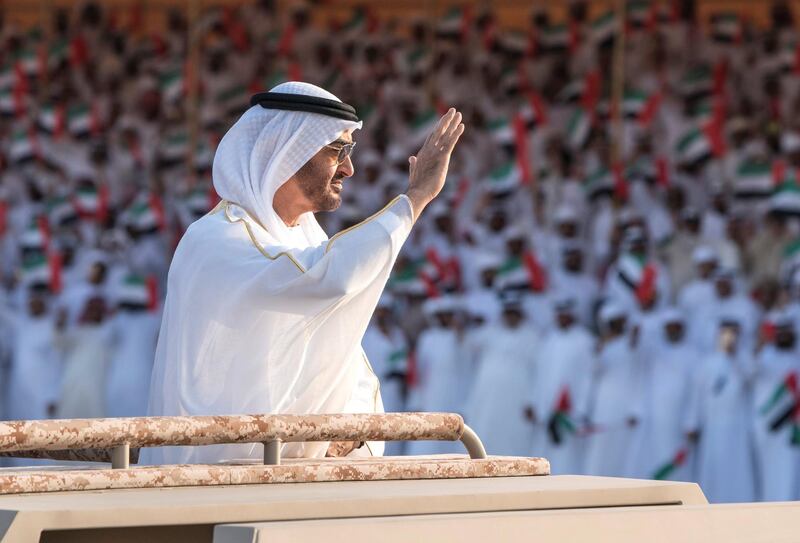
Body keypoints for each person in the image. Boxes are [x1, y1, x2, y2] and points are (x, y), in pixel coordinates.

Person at [146, 82, 464, 464]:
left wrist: (352, 432)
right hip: (218, 481)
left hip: (293, 477)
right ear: (287, 150)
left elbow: (343, 356)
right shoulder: (216, 239)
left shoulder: (306, 237)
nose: (349, 167)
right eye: (338, 150)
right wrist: (414, 200)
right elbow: (325, 279)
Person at [686, 318, 756, 503]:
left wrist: (733, 357)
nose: (730, 338)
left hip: (738, 427)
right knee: (713, 469)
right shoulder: (706, 362)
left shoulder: (744, 360)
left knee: (738, 470)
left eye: (734, 334)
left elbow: (751, 376)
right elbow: (697, 395)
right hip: (713, 426)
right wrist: (692, 422)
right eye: (726, 333)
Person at [467, 290, 540, 456]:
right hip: (489, 401)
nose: (511, 316)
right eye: (508, 312)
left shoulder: (532, 336)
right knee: (486, 435)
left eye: (514, 312)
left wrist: (533, 400)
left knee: (515, 439)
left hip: (518, 399)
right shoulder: (490, 332)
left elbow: (539, 372)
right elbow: (467, 344)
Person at [528, 297, 593, 474]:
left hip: (570, 411)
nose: (562, 318)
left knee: (568, 457)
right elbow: (540, 374)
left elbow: (587, 377)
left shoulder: (584, 340)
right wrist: (534, 403)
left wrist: (581, 409)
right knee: (543, 454)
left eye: (566, 315)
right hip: (546, 408)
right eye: (559, 315)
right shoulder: (548, 339)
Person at [584, 302, 641, 477]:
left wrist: (635, 408)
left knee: (623, 454)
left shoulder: (630, 344)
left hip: (625, 408)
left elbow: (637, 374)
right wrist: (599, 349)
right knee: (600, 454)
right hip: (603, 407)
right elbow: (593, 371)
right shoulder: (600, 345)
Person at [751, 316, 800, 502]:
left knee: (792, 474)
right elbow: (749, 372)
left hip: (792, 429)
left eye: (788, 332)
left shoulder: (797, 358)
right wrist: (759, 346)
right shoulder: (765, 357)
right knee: (771, 475)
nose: (784, 336)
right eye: (781, 332)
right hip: (768, 428)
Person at [105, 274, 161, 418]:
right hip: (120, 378)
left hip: (143, 376)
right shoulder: (118, 319)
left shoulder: (152, 319)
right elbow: (105, 338)